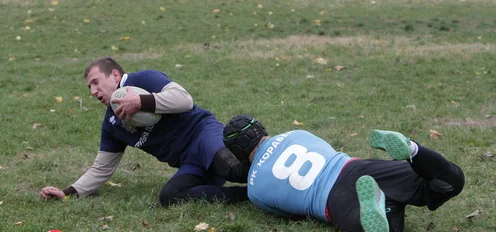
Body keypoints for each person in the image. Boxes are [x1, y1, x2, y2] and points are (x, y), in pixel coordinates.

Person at [40, 57, 248, 206]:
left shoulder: (143, 80)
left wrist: (142, 101)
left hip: (203, 135)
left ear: (114, 75)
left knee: (233, 168)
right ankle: (246, 196)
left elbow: (185, 100)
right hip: (190, 163)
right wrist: (67, 193)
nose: (93, 91)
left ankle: (276, 177)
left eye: (96, 82)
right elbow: (101, 169)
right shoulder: (112, 124)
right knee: (170, 197)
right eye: (89, 88)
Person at [222, 114, 465, 232]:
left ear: (237, 153)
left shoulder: (255, 190)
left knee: (383, 228)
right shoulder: (296, 134)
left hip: (333, 202)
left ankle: (380, 208)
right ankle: (412, 149)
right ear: (261, 128)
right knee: (450, 181)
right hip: (358, 169)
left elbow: (291, 215)